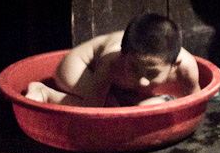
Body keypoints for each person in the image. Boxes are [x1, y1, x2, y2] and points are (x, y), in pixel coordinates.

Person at [26, 13, 201, 107]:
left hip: (113, 79)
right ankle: (45, 93)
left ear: (174, 64)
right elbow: (92, 109)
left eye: (152, 73)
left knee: (132, 103)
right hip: (79, 67)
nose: (142, 80)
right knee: (109, 107)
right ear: (123, 55)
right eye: (133, 68)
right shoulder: (112, 61)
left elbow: (196, 100)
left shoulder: (185, 65)